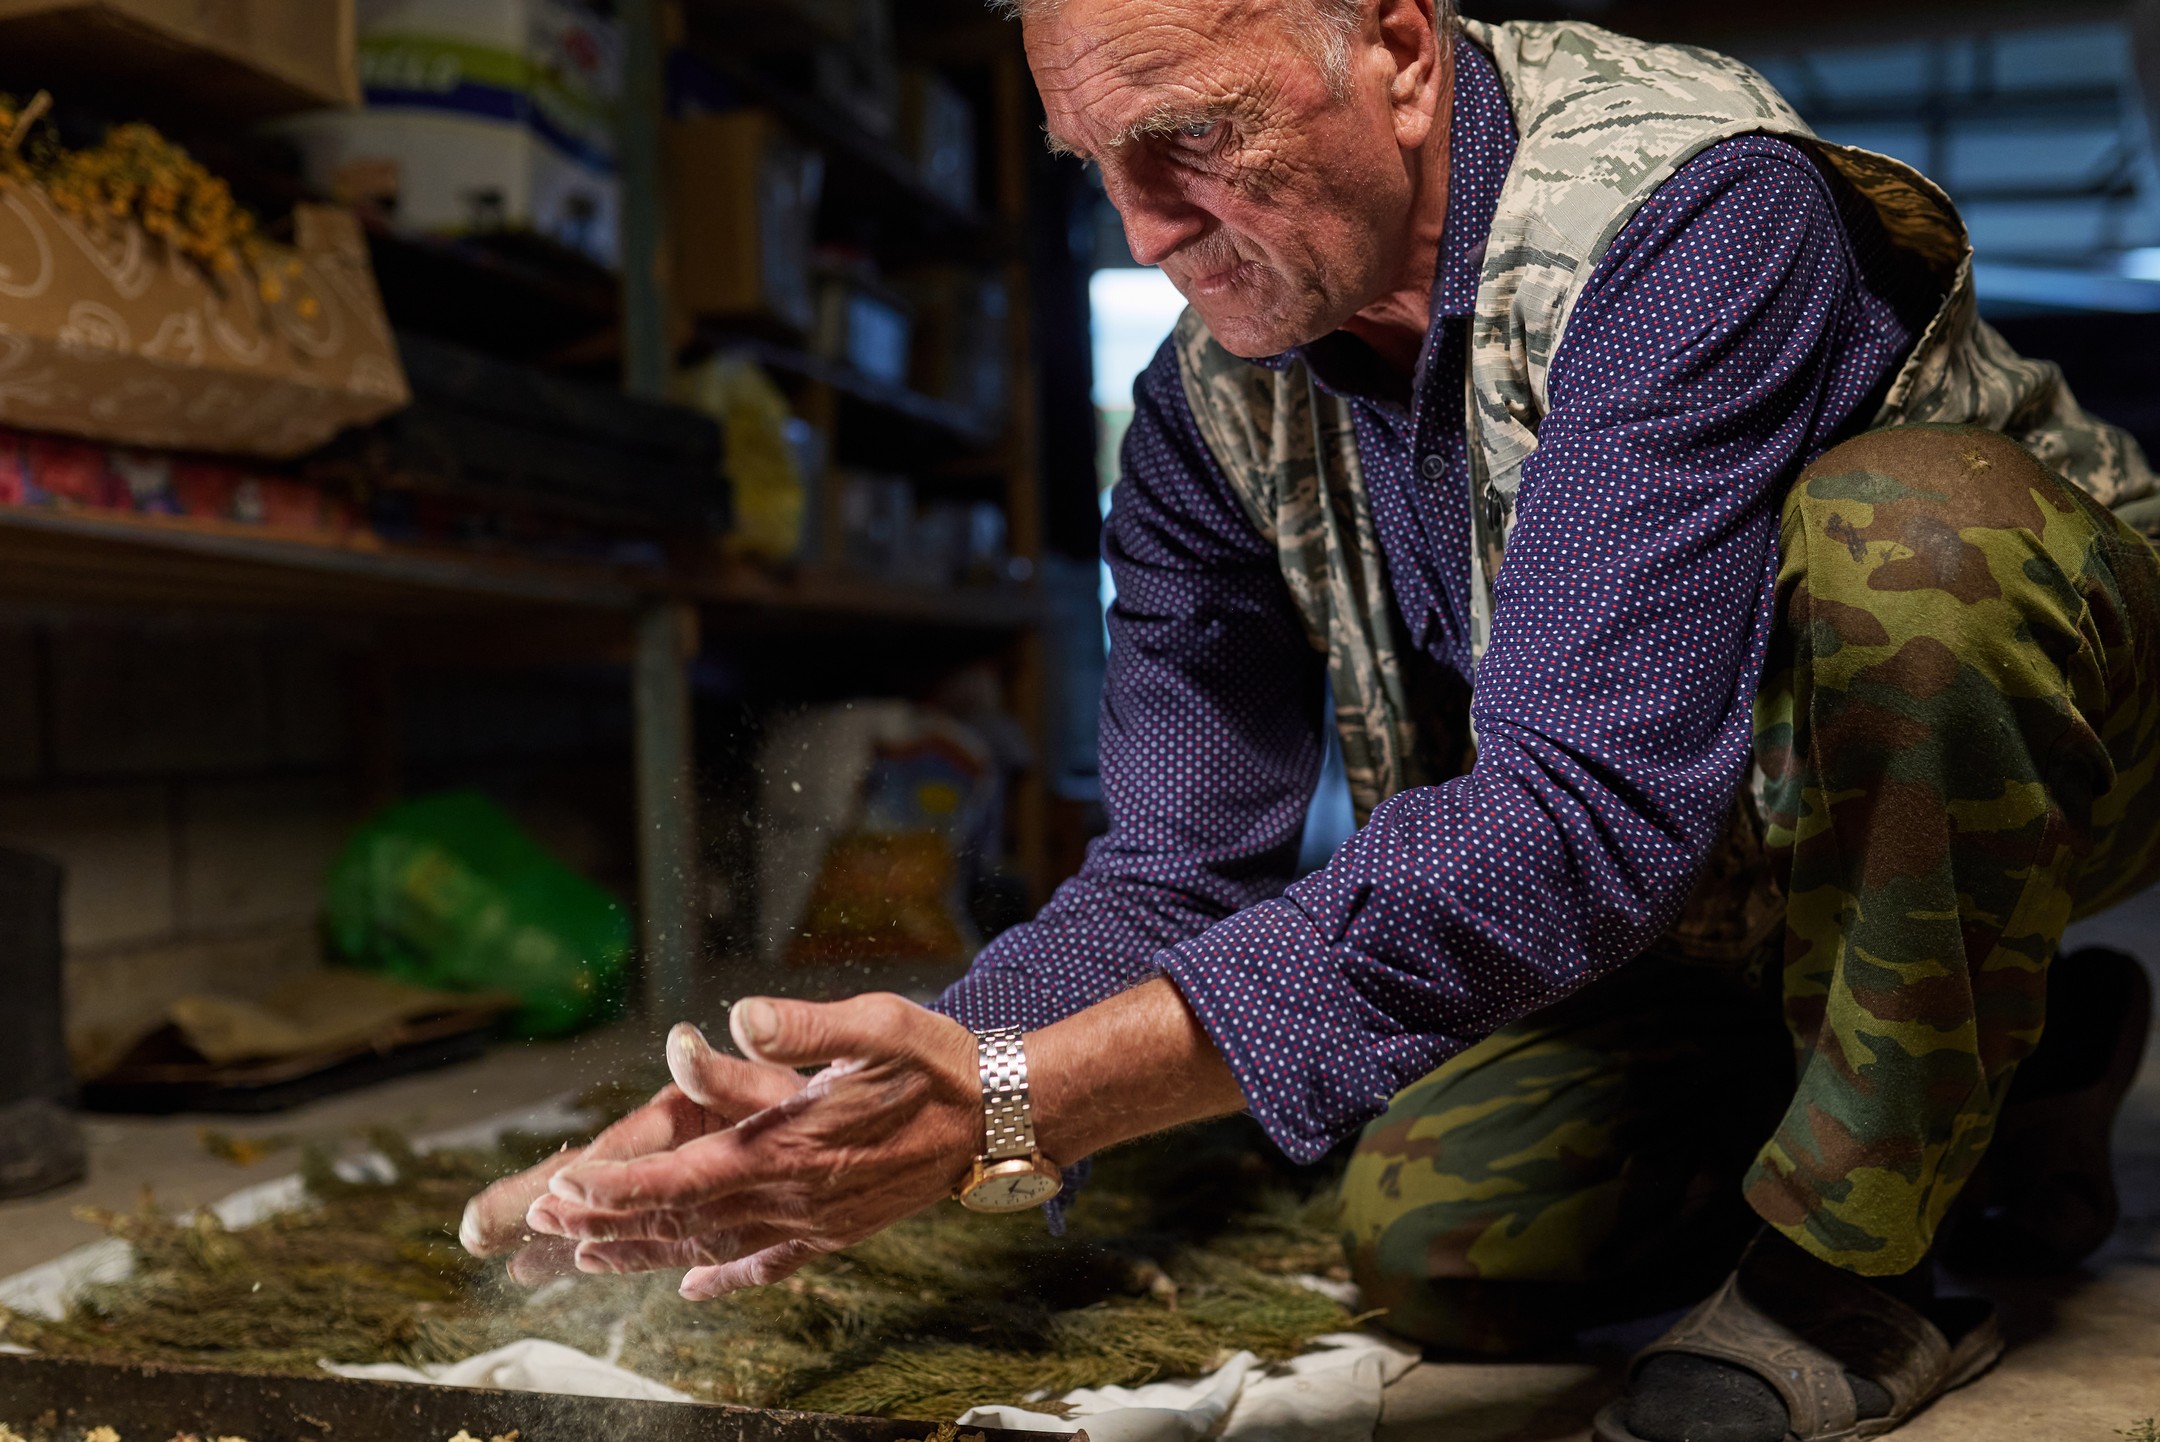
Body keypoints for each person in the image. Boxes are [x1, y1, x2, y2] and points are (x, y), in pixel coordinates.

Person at [459, 2, 2160, 1438]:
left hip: (2033, 742)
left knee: (1916, 540)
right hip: (1722, 865)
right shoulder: (1207, 413)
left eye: (1191, 138)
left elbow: (1580, 811)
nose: (1140, 231)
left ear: (1401, 55)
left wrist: (1018, 1099)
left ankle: (1858, 1273)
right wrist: (863, 1089)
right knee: (1445, 1235)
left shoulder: (1688, 215)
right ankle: (2016, 1071)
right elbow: (1172, 872)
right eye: (1097, 169)